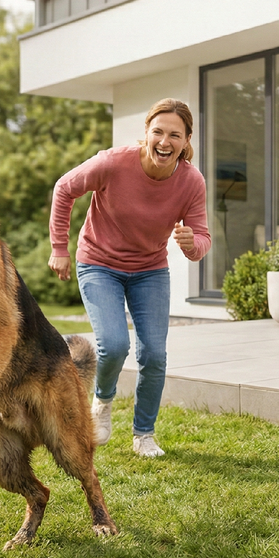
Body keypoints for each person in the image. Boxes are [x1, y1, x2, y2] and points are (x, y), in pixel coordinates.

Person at [48, 98, 210, 457]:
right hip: (98, 264)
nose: (165, 142)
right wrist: (59, 247)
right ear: (147, 134)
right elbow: (64, 189)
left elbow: (202, 239)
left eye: (174, 135)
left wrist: (191, 243)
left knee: (153, 354)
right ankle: (102, 402)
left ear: (186, 141)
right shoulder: (113, 162)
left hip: (149, 270)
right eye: (158, 132)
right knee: (115, 344)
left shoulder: (190, 182)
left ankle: (144, 434)